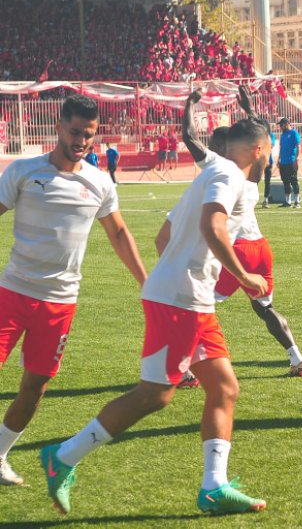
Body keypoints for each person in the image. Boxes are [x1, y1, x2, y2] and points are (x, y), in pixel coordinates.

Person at [39, 117, 271, 515]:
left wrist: (181, 273)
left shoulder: (216, 170)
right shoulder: (229, 175)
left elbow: (163, 237)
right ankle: (62, 456)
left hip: (189, 298)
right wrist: (244, 275)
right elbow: (212, 225)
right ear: (260, 150)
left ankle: (214, 487)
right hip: (180, 300)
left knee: (224, 388)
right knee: (155, 394)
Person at [0, 95, 147, 487]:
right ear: (59, 127)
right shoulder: (23, 172)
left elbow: (118, 231)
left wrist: (145, 282)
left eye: (89, 134)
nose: (82, 140)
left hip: (60, 303)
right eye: (76, 132)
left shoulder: (98, 181)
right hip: (12, 293)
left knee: (35, 386)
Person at [180, 88, 302, 377]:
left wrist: (189, 104)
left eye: (216, 143)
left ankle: (186, 369)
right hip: (260, 248)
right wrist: (249, 108)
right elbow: (260, 134)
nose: (211, 147)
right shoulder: (251, 171)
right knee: (265, 309)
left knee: (196, 305)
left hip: (236, 251)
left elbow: (189, 138)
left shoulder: (222, 168)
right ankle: (297, 359)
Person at [277, 117, 301, 208]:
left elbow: (299, 146)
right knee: (285, 181)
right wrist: (279, 159)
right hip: (283, 162)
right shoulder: (283, 135)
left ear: (287, 124)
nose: (280, 127)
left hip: (291, 161)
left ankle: (297, 201)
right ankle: (287, 202)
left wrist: (296, 158)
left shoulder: (294, 133)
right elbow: (281, 148)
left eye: (281, 125)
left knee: (293, 181)